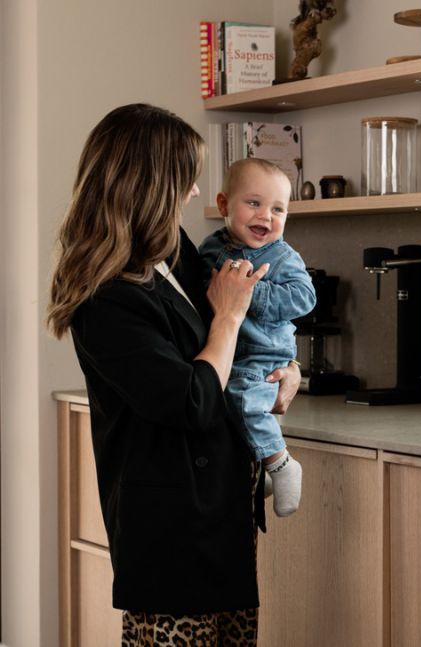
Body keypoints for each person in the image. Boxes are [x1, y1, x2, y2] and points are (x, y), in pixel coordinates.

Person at [47, 103, 301, 645]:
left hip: (222, 510)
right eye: (185, 179)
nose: (192, 193)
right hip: (168, 526)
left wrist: (288, 370)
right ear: (151, 183)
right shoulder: (106, 296)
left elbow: (231, 350)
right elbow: (192, 400)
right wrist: (231, 316)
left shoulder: (173, 250)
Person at [199, 158, 316, 517]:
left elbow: (305, 297)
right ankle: (262, 465)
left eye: (278, 209)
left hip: (263, 354)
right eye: (254, 203)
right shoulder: (209, 248)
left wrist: (250, 293)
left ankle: (281, 463)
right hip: (227, 353)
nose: (266, 216)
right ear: (223, 205)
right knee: (231, 408)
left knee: (246, 400)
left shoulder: (282, 256)